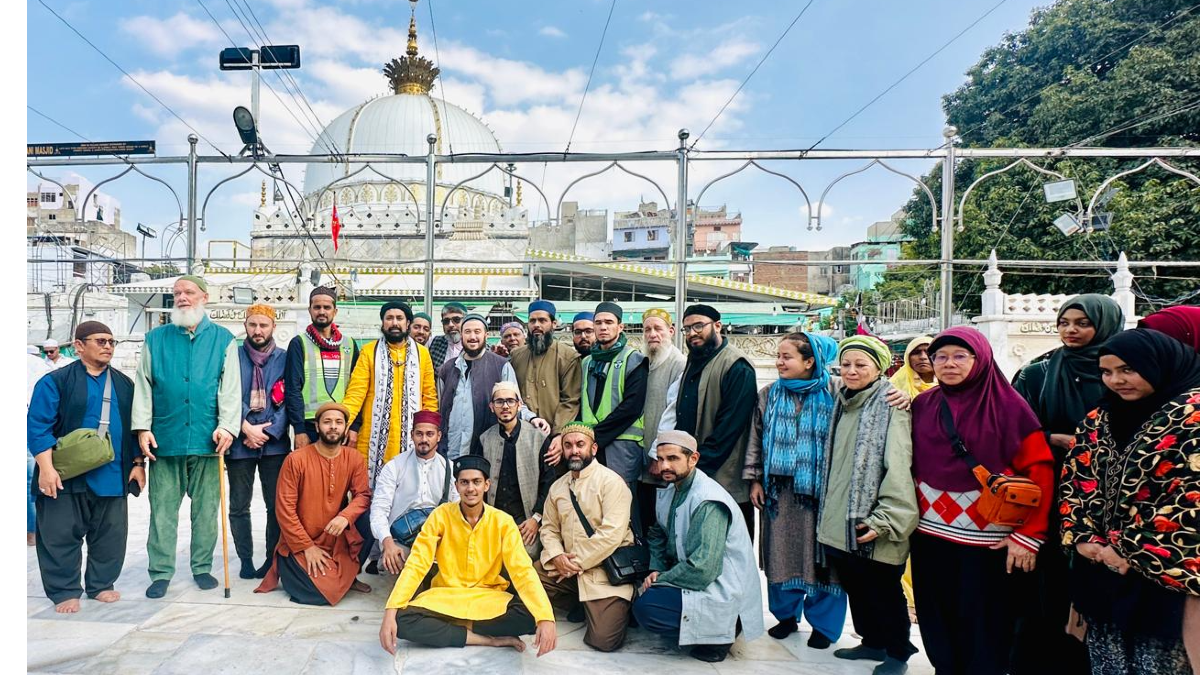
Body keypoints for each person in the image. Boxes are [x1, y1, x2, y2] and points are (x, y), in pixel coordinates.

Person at [909, 326, 1055, 675]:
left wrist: (1029, 537)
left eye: (960, 356)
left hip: (990, 541)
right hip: (929, 535)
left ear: (981, 359)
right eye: (940, 356)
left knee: (985, 618)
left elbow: (1041, 471)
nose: (948, 364)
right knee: (936, 611)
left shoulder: (1010, 409)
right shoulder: (923, 404)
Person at [1060, 328, 1200, 675]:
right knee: (1108, 663)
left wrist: (1128, 551)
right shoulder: (1100, 418)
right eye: (1106, 372)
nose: (1116, 380)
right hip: (1102, 576)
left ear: (1157, 364)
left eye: (1127, 369)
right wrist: (1083, 538)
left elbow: (1190, 499)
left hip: (1166, 581)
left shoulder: (1192, 418)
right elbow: (1076, 480)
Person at [1011, 294, 1124, 674]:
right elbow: (1015, 431)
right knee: (1046, 584)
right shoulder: (1036, 373)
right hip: (1049, 488)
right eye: (1064, 323)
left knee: (1096, 584)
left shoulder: (1124, 373)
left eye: (1082, 323)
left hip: (1110, 497)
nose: (1071, 330)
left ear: (1104, 325)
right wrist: (1051, 439)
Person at [379, 454, 557, 656]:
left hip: (488, 597)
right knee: (401, 620)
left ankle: (454, 628)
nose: (470, 489)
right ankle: (486, 639)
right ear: (456, 486)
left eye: (476, 482)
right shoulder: (441, 515)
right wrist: (390, 610)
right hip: (447, 596)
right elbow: (417, 564)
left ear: (487, 485)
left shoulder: (503, 522)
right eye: (464, 482)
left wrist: (545, 617)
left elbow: (522, 571)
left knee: (530, 616)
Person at [132, 275, 241, 599]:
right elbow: (143, 385)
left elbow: (230, 389)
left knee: (206, 511)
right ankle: (161, 572)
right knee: (162, 511)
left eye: (188, 292)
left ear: (204, 297)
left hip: (208, 440)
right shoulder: (155, 339)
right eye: (177, 293)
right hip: (165, 439)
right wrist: (143, 427)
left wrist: (228, 426)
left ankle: (202, 567)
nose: (182, 297)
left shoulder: (223, 339)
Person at [819, 336, 918, 675]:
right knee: (856, 584)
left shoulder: (891, 404)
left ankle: (897, 651)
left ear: (879, 368)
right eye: (846, 364)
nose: (851, 371)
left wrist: (886, 518)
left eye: (861, 365)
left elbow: (899, 465)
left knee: (883, 588)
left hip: (876, 517)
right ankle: (872, 641)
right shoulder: (843, 401)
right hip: (843, 514)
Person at [28, 322, 142, 614]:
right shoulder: (56, 382)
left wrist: (138, 465)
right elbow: (38, 426)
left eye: (111, 342)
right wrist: (46, 469)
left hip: (113, 474)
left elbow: (134, 428)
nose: (107, 346)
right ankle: (64, 590)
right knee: (59, 534)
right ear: (79, 345)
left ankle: (102, 584)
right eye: (100, 341)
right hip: (65, 474)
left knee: (110, 534)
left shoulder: (123, 384)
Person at [745, 332, 848, 648]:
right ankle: (785, 616)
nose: (779, 362)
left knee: (825, 561)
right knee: (781, 555)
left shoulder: (838, 394)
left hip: (824, 493)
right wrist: (755, 479)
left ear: (809, 361)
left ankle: (825, 626)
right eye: (778, 356)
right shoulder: (769, 395)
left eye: (786, 357)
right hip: (781, 494)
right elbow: (755, 440)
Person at [635, 430, 764, 663]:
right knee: (641, 594)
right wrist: (655, 569)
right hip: (695, 577)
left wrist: (662, 578)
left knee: (647, 608)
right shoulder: (674, 487)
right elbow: (657, 532)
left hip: (719, 588)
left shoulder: (708, 500)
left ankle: (720, 636)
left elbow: (703, 568)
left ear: (693, 459)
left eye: (673, 459)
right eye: (661, 459)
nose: (665, 466)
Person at [342, 300, 438, 568]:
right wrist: (342, 422)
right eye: (389, 318)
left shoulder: (422, 354)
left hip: (412, 443)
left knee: (409, 496)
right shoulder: (369, 352)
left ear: (408, 323)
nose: (394, 322)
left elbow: (429, 395)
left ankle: (400, 552)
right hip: (373, 444)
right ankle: (371, 555)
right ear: (382, 323)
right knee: (371, 497)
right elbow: (356, 392)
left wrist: (430, 432)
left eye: (399, 318)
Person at [255, 402, 373, 605]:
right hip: (300, 540)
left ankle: (347, 577)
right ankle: (334, 577)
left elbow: (363, 495)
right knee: (319, 596)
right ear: (317, 426)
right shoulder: (296, 460)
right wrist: (307, 546)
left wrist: (345, 517)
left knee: (369, 520)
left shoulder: (354, 458)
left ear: (346, 427)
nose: (333, 427)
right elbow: (284, 510)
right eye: (327, 422)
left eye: (339, 422)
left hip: (334, 536)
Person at [658, 304, 758, 535]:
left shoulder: (737, 366)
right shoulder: (694, 360)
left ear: (717, 326)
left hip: (722, 478)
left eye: (698, 326)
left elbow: (728, 431)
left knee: (727, 553)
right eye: (686, 329)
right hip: (694, 474)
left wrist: (695, 469)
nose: (692, 333)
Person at [537, 423, 635, 652]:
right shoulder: (558, 487)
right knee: (529, 578)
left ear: (593, 448)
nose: (574, 451)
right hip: (567, 567)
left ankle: (619, 607)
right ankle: (579, 600)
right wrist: (557, 556)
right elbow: (548, 529)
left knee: (603, 641)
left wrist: (573, 563)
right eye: (568, 445)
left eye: (580, 445)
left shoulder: (612, 483)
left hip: (604, 571)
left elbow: (611, 535)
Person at [228, 304, 290, 580]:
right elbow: (226, 395)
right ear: (245, 326)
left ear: (273, 327)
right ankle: (244, 559)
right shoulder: (231, 356)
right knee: (239, 505)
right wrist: (245, 428)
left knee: (274, 505)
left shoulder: (285, 358)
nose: (258, 330)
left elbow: (291, 397)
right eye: (253, 325)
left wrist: (269, 431)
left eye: (263, 325)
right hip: (240, 442)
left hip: (274, 444)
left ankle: (270, 559)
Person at [438, 314, 547, 460]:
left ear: (486, 335)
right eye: (467, 332)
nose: (472, 337)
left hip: (484, 451)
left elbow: (514, 402)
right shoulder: (447, 369)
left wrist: (532, 418)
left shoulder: (501, 366)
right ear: (461, 334)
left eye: (477, 332)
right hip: (449, 451)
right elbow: (439, 408)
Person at [369, 410, 458, 576]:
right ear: (412, 435)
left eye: (430, 434)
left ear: (438, 436)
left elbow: (458, 511)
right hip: (400, 539)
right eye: (419, 434)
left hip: (437, 538)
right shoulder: (394, 467)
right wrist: (387, 543)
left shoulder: (450, 469)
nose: (424, 439)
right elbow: (378, 511)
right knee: (406, 571)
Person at [887, 335, 936, 619]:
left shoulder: (954, 389)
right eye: (915, 352)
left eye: (928, 351)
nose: (922, 357)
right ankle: (909, 599)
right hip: (905, 472)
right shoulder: (896, 387)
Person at [477, 382, 556, 557]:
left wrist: (536, 519)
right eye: (499, 402)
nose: (505, 406)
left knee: (525, 559)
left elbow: (549, 483)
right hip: (493, 521)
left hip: (526, 521)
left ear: (519, 404)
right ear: (492, 407)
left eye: (510, 401)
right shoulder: (484, 439)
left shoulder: (538, 438)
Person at [578, 302, 648, 488]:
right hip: (591, 446)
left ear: (620, 327)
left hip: (622, 446)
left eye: (609, 322)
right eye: (598, 322)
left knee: (624, 505)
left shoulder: (634, 359)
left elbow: (632, 407)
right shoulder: (586, 362)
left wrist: (595, 435)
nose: (603, 327)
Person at [285, 286, 362, 450]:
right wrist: (298, 430)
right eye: (317, 307)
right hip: (309, 427)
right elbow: (292, 389)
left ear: (335, 311)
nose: (322, 311)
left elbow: (358, 389)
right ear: (310, 310)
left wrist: (355, 427)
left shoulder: (349, 344)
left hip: (341, 427)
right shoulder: (299, 343)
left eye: (327, 307)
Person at [638, 308, 686, 537]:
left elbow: (673, 412)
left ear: (671, 331)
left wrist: (659, 455)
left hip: (661, 458)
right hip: (640, 456)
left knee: (662, 523)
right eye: (647, 329)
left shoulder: (678, 363)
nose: (652, 334)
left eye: (658, 328)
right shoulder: (644, 361)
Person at [509, 300, 582, 436]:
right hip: (520, 433)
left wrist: (558, 435)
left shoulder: (567, 357)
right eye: (532, 321)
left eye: (542, 320)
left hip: (553, 434)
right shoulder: (516, 356)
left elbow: (570, 401)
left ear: (553, 324)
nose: (536, 325)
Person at [28, 347, 51, 547]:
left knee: (31, 480)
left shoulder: (37, 366)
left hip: (32, 421)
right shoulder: (41, 366)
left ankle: (33, 530)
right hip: (34, 422)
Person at [427, 302, 467, 368]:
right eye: (446, 321)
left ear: (465, 321)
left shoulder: (475, 345)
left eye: (456, 320)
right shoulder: (433, 343)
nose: (450, 325)